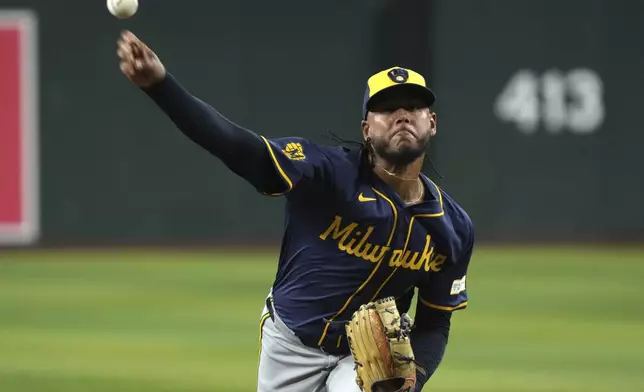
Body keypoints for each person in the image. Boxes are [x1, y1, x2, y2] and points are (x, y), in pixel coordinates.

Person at [116, 30, 474, 392]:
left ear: (432, 122)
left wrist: (414, 380)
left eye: (413, 106)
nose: (401, 115)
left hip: (367, 357)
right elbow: (239, 149)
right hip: (290, 343)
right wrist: (161, 86)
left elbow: (434, 323)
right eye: (386, 108)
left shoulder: (453, 228)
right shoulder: (326, 172)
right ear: (366, 129)